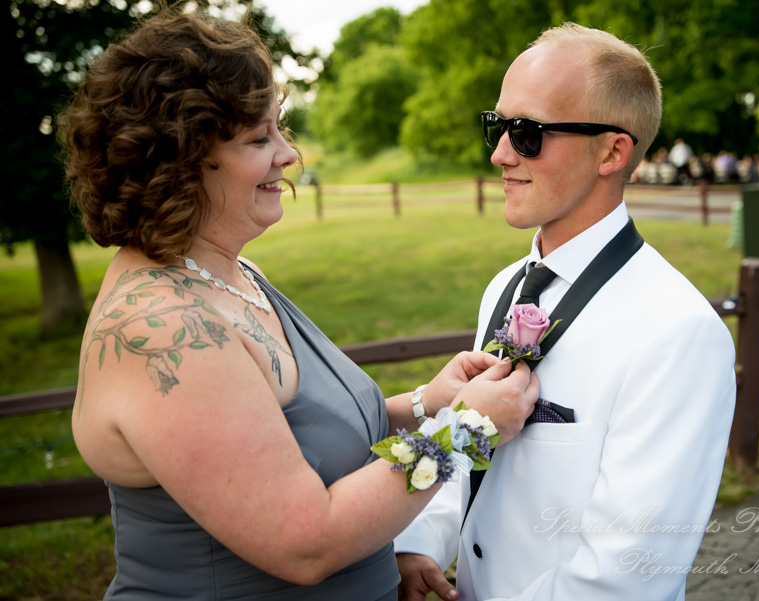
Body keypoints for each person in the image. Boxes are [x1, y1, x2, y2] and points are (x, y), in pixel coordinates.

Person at [60, 9, 539, 600]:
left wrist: (423, 404)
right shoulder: (161, 330)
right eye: (259, 138)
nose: (288, 155)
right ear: (177, 159)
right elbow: (305, 542)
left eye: (279, 129)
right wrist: (465, 428)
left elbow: (291, 439)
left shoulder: (233, 274)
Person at [395, 23, 736, 601]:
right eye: (497, 126)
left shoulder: (679, 332)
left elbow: (630, 569)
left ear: (612, 151)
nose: (501, 153)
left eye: (527, 133)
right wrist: (420, 539)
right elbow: (473, 444)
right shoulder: (505, 286)